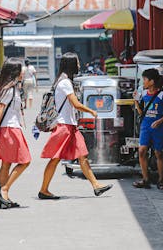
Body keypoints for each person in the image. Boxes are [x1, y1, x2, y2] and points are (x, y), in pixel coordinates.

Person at [39, 52, 113, 199]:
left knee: (82, 156)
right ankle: (43, 190)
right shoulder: (65, 82)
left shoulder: (64, 81)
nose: (79, 65)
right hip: (64, 127)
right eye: (77, 62)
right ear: (71, 64)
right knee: (55, 159)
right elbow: (76, 104)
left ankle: (96, 186)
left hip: (70, 127)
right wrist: (91, 110)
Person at [0, 58, 31, 209]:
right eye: (21, 69)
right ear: (15, 72)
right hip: (10, 129)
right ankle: (4, 189)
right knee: (25, 161)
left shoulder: (11, 87)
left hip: (8, 129)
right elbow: (0, 108)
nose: (23, 72)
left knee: (6, 163)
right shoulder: (10, 89)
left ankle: (4, 197)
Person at [133, 69, 163, 190]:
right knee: (141, 151)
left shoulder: (162, 95)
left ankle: (161, 180)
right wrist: (135, 102)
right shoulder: (143, 94)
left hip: (158, 128)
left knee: (159, 153)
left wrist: (159, 121)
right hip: (145, 126)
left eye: (145, 79)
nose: (143, 82)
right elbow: (141, 113)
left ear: (152, 81)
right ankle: (145, 179)